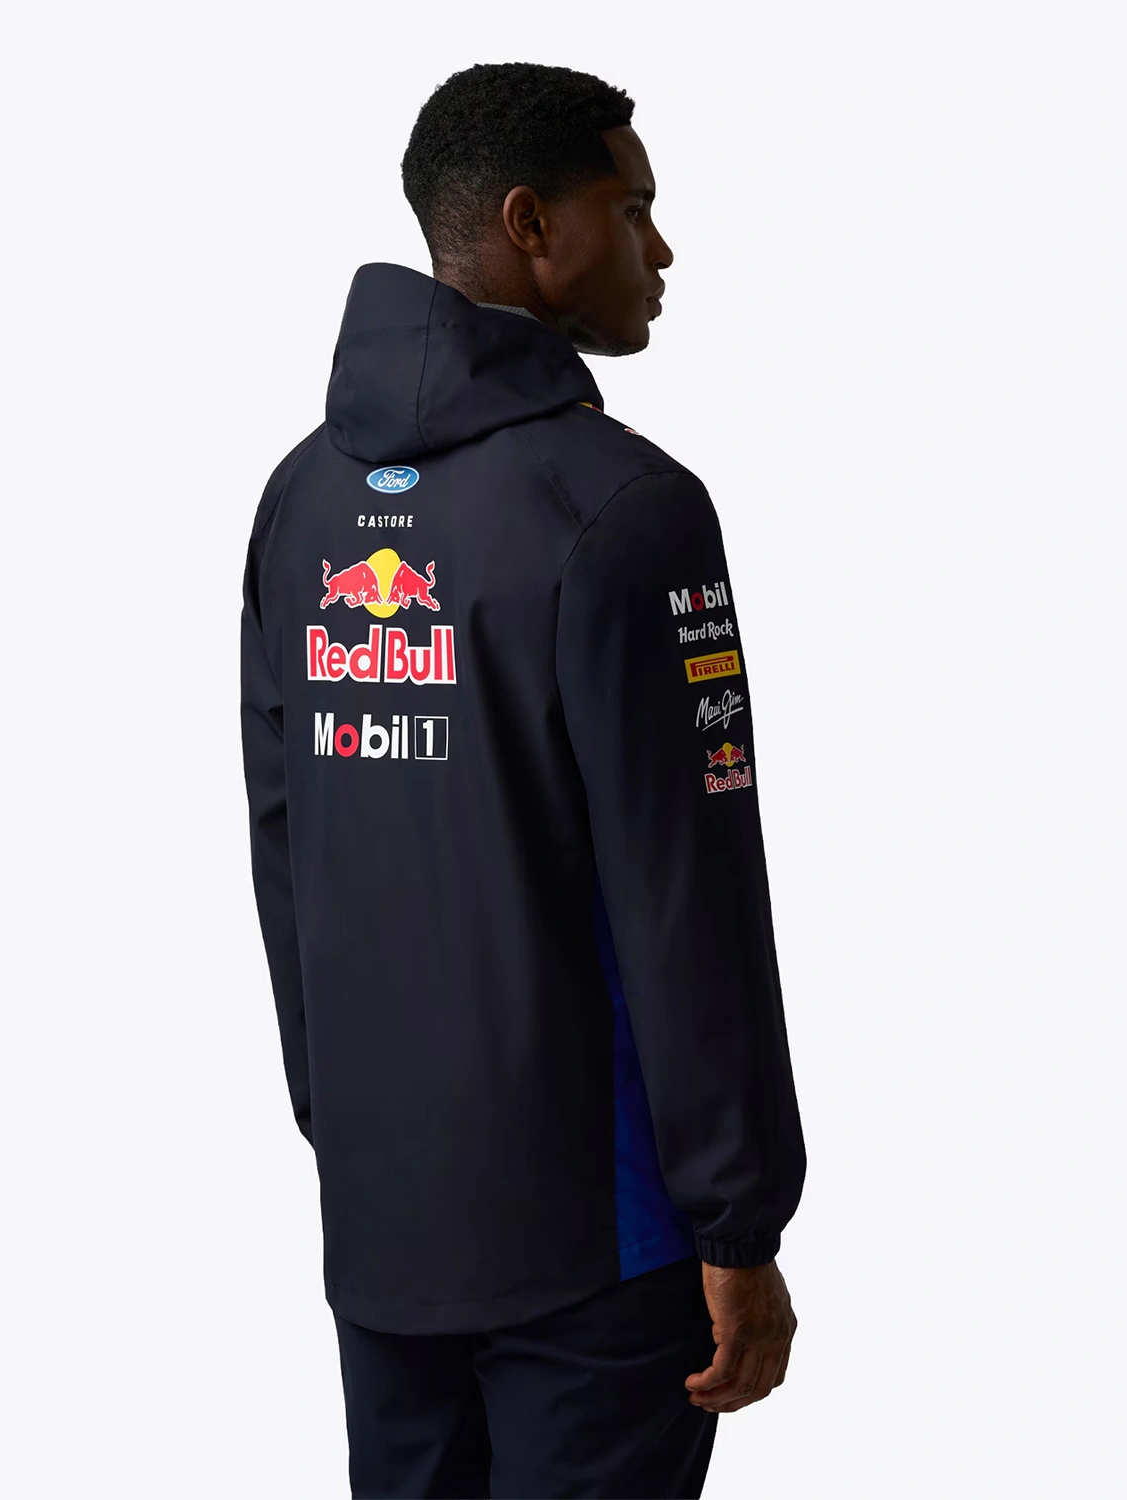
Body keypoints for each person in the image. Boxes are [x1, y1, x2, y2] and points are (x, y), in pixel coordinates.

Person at [240, 61, 806, 1500]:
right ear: (529, 225)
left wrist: (348, 1126)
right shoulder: (624, 509)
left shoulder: (302, 500)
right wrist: (739, 1221)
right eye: (633, 207)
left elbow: (284, 848)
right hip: (596, 1244)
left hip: (385, 1215)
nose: (661, 249)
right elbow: (687, 890)